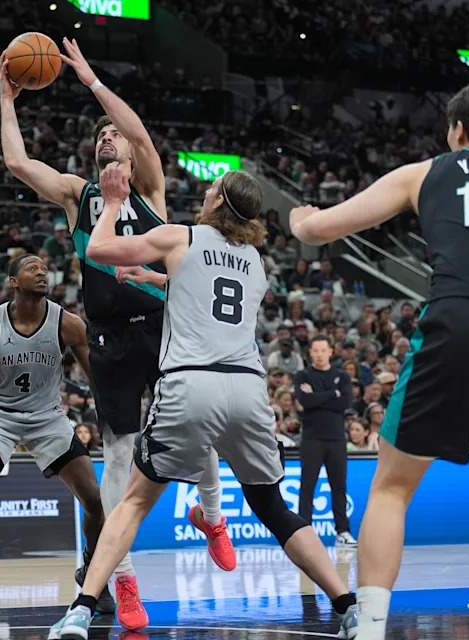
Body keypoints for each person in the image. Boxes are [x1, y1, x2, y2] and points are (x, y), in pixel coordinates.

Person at [289, 78, 469, 640]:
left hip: (458, 320)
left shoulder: (421, 174)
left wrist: (299, 217)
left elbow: (323, 227)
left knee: (392, 487)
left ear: (458, 130)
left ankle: (371, 626)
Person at [50, 165, 357, 639]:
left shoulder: (182, 236)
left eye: (212, 188)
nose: (206, 192)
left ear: (217, 203)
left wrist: (112, 204)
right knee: (274, 508)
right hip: (248, 391)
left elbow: (97, 250)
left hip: (192, 385)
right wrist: (157, 280)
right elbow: (212, 297)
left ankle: (81, 609)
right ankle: (348, 604)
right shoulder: (256, 261)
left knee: (132, 503)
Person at [0, 38, 231, 627]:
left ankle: (212, 513)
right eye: (100, 134)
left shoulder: (149, 187)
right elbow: (19, 165)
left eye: (115, 135)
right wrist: (7, 100)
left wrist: (92, 81)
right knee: (121, 453)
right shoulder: (80, 195)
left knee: (196, 420)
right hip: (105, 333)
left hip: (161, 319)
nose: (107, 137)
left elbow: (143, 136)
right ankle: (123, 582)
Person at [0, 254, 110, 623]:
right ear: (13, 281)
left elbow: (98, 379)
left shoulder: (68, 323)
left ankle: (93, 573)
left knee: (94, 498)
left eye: (45, 268)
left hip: (47, 417)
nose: (42, 271)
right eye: (32, 268)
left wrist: (112, 420)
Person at [293, 336, 355, 546]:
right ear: (310, 352)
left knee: (338, 486)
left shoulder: (342, 376)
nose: (319, 354)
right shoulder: (303, 375)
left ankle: (343, 532)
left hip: (337, 438)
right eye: (315, 350)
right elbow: (305, 401)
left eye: (323, 350)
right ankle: (304, 532)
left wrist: (318, 396)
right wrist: (331, 394)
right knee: (308, 486)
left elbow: (344, 403)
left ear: (330, 352)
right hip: (312, 439)